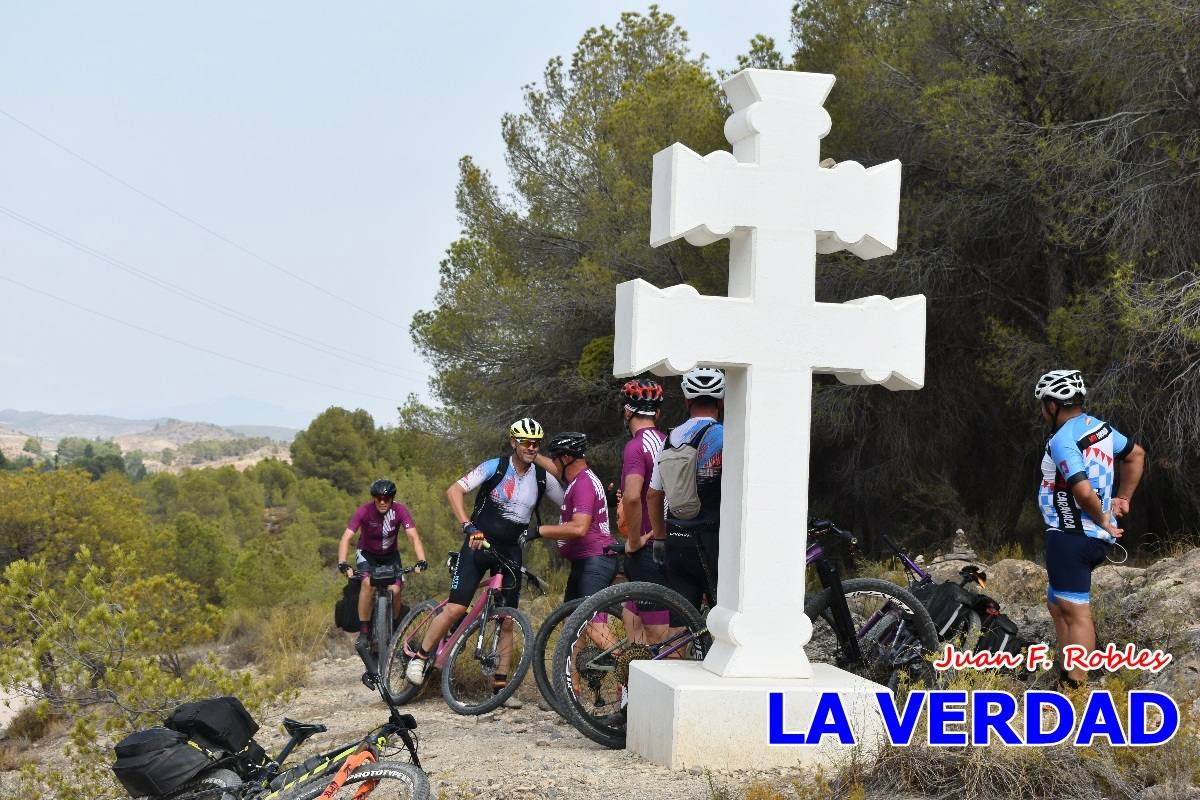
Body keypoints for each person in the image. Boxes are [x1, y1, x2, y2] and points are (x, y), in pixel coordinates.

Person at [405, 417, 564, 688]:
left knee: (507, 619)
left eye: (536, 443)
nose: (532, 447)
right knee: (456, 608)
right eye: (526, 442)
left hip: (511, 550)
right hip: (478, 544)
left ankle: (500, 686)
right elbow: (454, 490)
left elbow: (568, 502)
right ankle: (419, 657)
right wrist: (468, 526)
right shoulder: (495, 466)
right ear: (513, 442)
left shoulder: (541, 477)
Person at [1035, 369, 1145, 686]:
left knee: (1075, 611)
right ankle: (1066, 671)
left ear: (1052, 405)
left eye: (1043, 405)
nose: (1043, 412)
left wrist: (1104, 519)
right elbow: (1136, 455)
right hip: (1084, 537)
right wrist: (1123, 497)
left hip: (1072, 536)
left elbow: (1082, 492)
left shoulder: (1062, 440)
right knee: (1057, 604)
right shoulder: (1100, 428)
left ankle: (1076, 686)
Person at [646, 367, 725, 615]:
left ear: (687, 399)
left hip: (676, 538)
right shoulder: (726, 436)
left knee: (683, 624)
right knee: (723, 621)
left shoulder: (669, 439)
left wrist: (660, 538)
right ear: (721, 400)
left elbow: (654, 495)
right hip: (715, 540)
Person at [522, 431, 618, 603]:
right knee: (571, 620)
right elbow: (555, 470)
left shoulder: (583, 484)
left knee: (591, 624)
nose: (553, 463)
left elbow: (579, 528)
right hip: (584, 560)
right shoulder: (578, 478)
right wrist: (533, 454)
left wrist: (538, 531)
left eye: (555, 458)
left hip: (595, 560)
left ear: (566, 458)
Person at [337, 478, 428, 652]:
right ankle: (364, 633)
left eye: (386, 498)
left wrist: (421, 559)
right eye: (378, 498)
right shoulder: (364, 511)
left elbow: (413, 537)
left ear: (392, 498)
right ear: (374, 498)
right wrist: (343, 563)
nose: (382, 502)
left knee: (395, 589)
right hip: (367, 554)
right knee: (367, 584)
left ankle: (393, 627)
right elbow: (346, 537)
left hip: (390, 556)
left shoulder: (400, 510)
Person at [616, 379, 670, 638]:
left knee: (653, 634)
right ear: (657, 413)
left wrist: (634, 540)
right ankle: (630, 678)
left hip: (647, 548)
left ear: (627, 412)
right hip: (669, 540)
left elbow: (633, 496)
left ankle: (631, 677)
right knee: (639, 625)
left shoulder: (636, 446)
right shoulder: (669, 441)